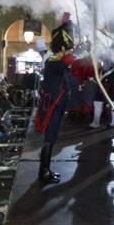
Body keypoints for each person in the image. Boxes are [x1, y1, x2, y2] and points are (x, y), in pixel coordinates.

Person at [35, 18, 76, 183]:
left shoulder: (58, 61)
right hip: (53, 105)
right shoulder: (54, 62)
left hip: (56, 105)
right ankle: (43, 172)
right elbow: (69, 61)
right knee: (49, 137)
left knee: (52, 137)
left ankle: (46, 170)